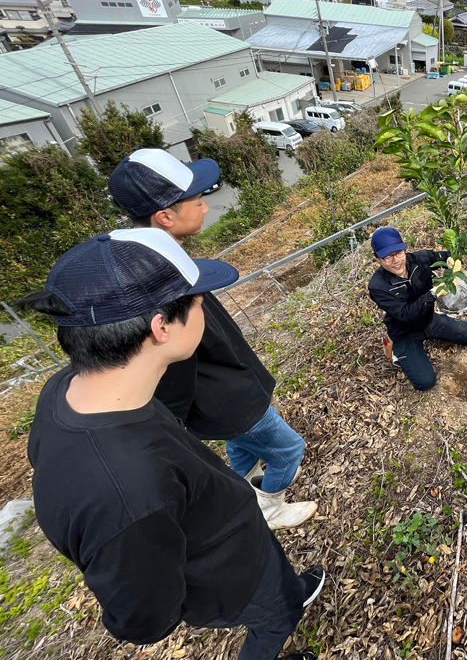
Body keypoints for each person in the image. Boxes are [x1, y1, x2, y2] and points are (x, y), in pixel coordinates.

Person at [20, 229, 324, 660]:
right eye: (198, 300)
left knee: (283, 594)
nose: (205, 307)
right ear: (160, 326)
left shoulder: (67, 389)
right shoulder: (125, 487)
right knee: (279, 618)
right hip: (229, 577)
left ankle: (290, 589)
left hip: (238, 543)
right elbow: (143, 618)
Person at [108, 149, 315, 530]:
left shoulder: (152, 260)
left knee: (240, 449)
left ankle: (243, 493)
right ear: (165, 216)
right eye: (198, 201)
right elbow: (170, 366)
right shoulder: (159, 283)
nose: (206, 208)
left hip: (222, 398)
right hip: (226, 399)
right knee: (288, 449)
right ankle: (270, 509)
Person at [368, 226, 467, 391]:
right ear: (377, 257)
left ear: (404, 249)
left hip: (430, 320)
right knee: (425, 382)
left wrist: (453, 260)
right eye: (387, 257)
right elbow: (406, 315)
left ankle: (432, 331)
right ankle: (397, 350)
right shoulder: (378, 286)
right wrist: (433, 293)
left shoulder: (420, 259)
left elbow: (446, 256)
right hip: (405, 332)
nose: (396, 260)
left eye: (399, 253)